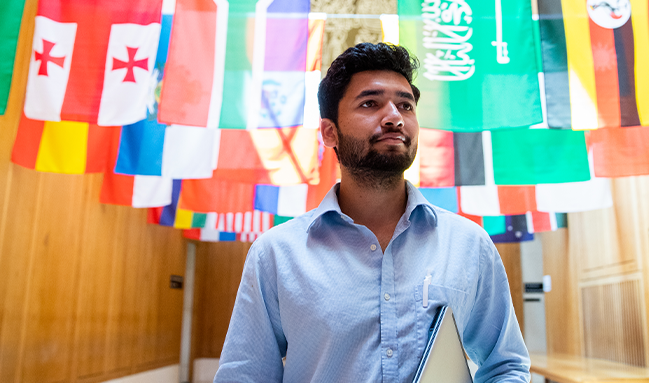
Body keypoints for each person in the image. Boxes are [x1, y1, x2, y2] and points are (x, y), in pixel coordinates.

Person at [214, 42, 530, 382]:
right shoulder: (276, 254)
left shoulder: (469, 244)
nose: (394, 117)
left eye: (405, 105)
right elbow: (245, 375)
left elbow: (505, 365)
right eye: (370, 103)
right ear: (329, 132)